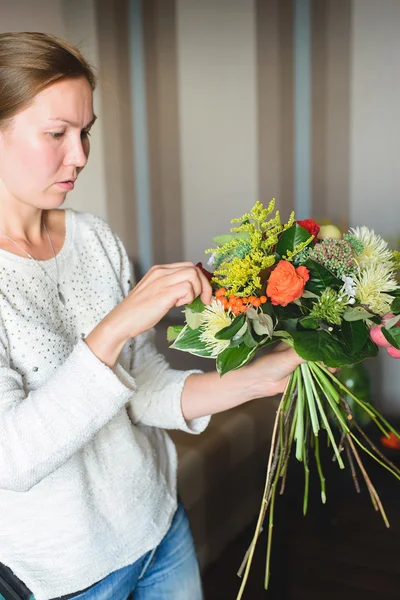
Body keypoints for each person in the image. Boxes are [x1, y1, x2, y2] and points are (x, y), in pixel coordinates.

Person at [0, 31, 303, 600]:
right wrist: (117, 324)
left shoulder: (92, 238)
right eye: (57, 134)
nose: (81, 156)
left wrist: (257, 378)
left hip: (159, 530)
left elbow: (139, 391)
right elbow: (11, 459)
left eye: (85, 132)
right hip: (65, 580)